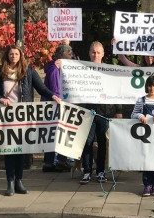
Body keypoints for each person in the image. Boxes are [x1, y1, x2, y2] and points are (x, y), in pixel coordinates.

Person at [0, 44, 62, 196]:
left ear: (20, 55)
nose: (13, 56)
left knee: (21, 149)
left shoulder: (28, 70)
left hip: (23, 116)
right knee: (9, 150)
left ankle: (19, 181)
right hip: (7, 116)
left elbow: (41, 88)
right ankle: (9, 181)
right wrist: (1, 99)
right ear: (7, 56)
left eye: (16, 54)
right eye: (11, 54)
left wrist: (53, 96)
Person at [79, 41, 119, 184]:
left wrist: (118, 111)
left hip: (105, 111)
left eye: (98, 52)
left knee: (103, 142)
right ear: (89, 53)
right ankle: (87, 171)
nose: (95, 55)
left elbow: (117, 91)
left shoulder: (109, 70)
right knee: (87, 141)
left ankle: (101, 171)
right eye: (93, 52)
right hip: (88, 110)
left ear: (103, 54)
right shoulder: (82, 70)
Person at [131, 74, 154, 196]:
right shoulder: (141, 100)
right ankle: (147, 185)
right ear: (146, 87)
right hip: (145, 135)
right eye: (150, 86)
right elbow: (133, 114)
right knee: (146, 159)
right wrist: (140, 116)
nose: (152, 88)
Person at [42, 43, 74, 172]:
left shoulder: (55, 67)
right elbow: (56, 90)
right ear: (62, 56)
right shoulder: (55, 69)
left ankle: (54, 161)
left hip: (55, 105)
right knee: (58, 134)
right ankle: (56, 162)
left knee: (56, 134)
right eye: (69, 54)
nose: (71, 57)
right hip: (56, 105)